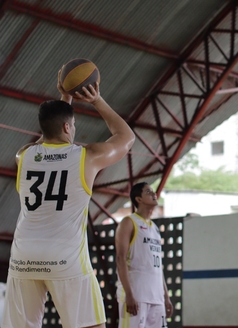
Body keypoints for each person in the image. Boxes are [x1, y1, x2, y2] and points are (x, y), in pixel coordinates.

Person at [2, 72, 135, 328]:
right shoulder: (88, 156)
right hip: (65, 258)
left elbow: (44, 140)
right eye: (72, 125)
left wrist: (65, 98)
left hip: (23, 257)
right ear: (67, 127)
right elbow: (125, 137)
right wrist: (96, 100)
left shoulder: (24, 156)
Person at [115, 182, 173, 328]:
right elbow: (120, 259)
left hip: (156, 297)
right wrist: (129, 294)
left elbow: (158, 267)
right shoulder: (129, 222)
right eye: (148, 192)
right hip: (136, 295)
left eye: (153, 192)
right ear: (138, 199)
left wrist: (166, 297)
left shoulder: (155, 228)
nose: (154, 194)